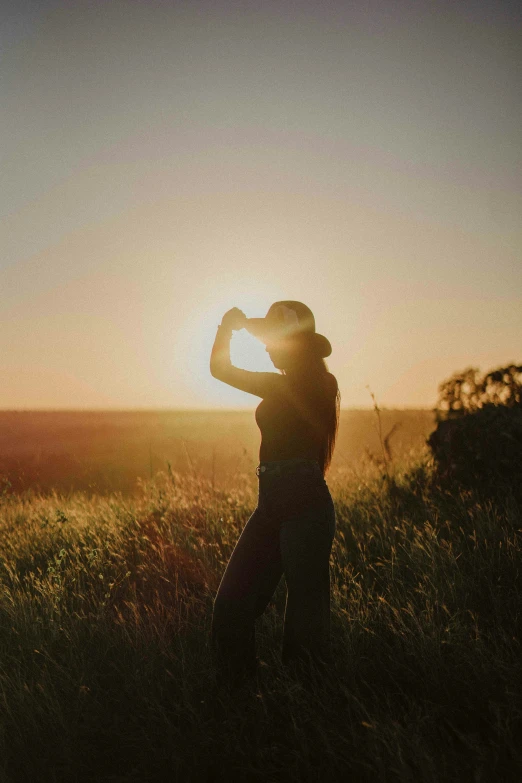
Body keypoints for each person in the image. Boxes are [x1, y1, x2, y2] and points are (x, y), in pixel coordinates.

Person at [209, 301, 340, 684]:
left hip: (304, 504)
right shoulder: (289, 382)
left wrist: (234, 328)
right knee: (231, 608)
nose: (266, 345)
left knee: (305, 624)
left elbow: (221, 370)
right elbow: (221, 369)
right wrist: (232, 327)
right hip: (270, 502)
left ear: (293, 342)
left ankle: (307, 713)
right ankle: (238, 707)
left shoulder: (316, 384)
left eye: (273, 337)